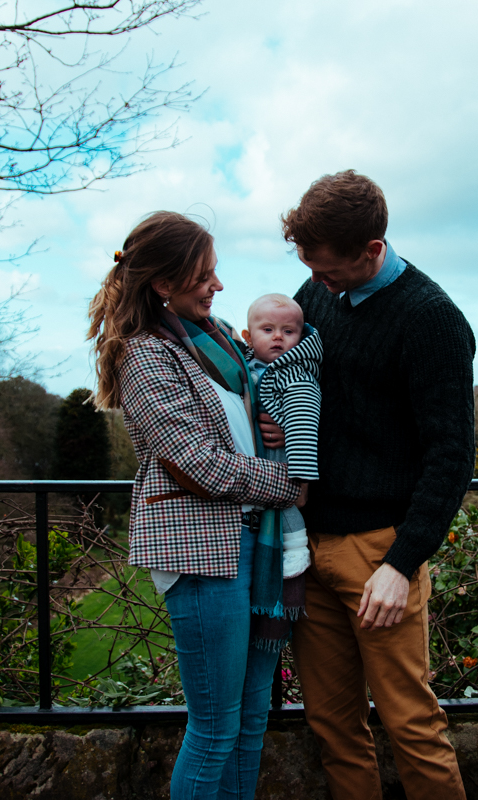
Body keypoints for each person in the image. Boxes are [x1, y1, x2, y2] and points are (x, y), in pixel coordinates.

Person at [87, 211, 303, 800]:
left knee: (251, 721)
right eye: (205, 274)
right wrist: (293, 485)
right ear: (163, 284)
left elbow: (255, 415)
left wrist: (283, 430)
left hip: (259, 545)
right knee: (213, 730)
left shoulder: (224, 337)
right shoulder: (144, 355)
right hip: (201, 549)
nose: (218, 285)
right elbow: (196, 462)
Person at [281, 170, 476, 799]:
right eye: (308, 265)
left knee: (411, 725)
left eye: (328, 268)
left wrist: (402, 561)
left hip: (377, 556)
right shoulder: (316, 294)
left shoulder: (432, 320)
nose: (316, 279)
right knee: (333, 726)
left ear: (372, 249)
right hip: (308, 548)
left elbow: (450, 457)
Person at [241, 293, 323, 588]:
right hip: (256, 459)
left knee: (284, 501)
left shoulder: (295, 375)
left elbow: (304, 425)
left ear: (300, 336)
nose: (278, 337)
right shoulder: (248, 366)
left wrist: (301, 479)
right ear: (248, 337)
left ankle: (297, 548)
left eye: (288, 332)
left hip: (285, 458)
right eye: (268, 330)